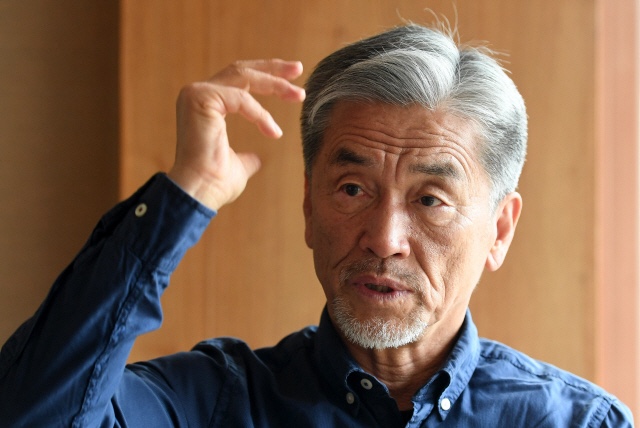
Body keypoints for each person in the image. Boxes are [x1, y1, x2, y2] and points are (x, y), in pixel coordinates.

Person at [0, 23, 633, 427]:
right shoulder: (213, 403)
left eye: (430, 199)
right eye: (353, 189)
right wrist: (183, 194)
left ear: (500, 229)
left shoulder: (577, 422)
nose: (383, 238)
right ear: (308, 204)